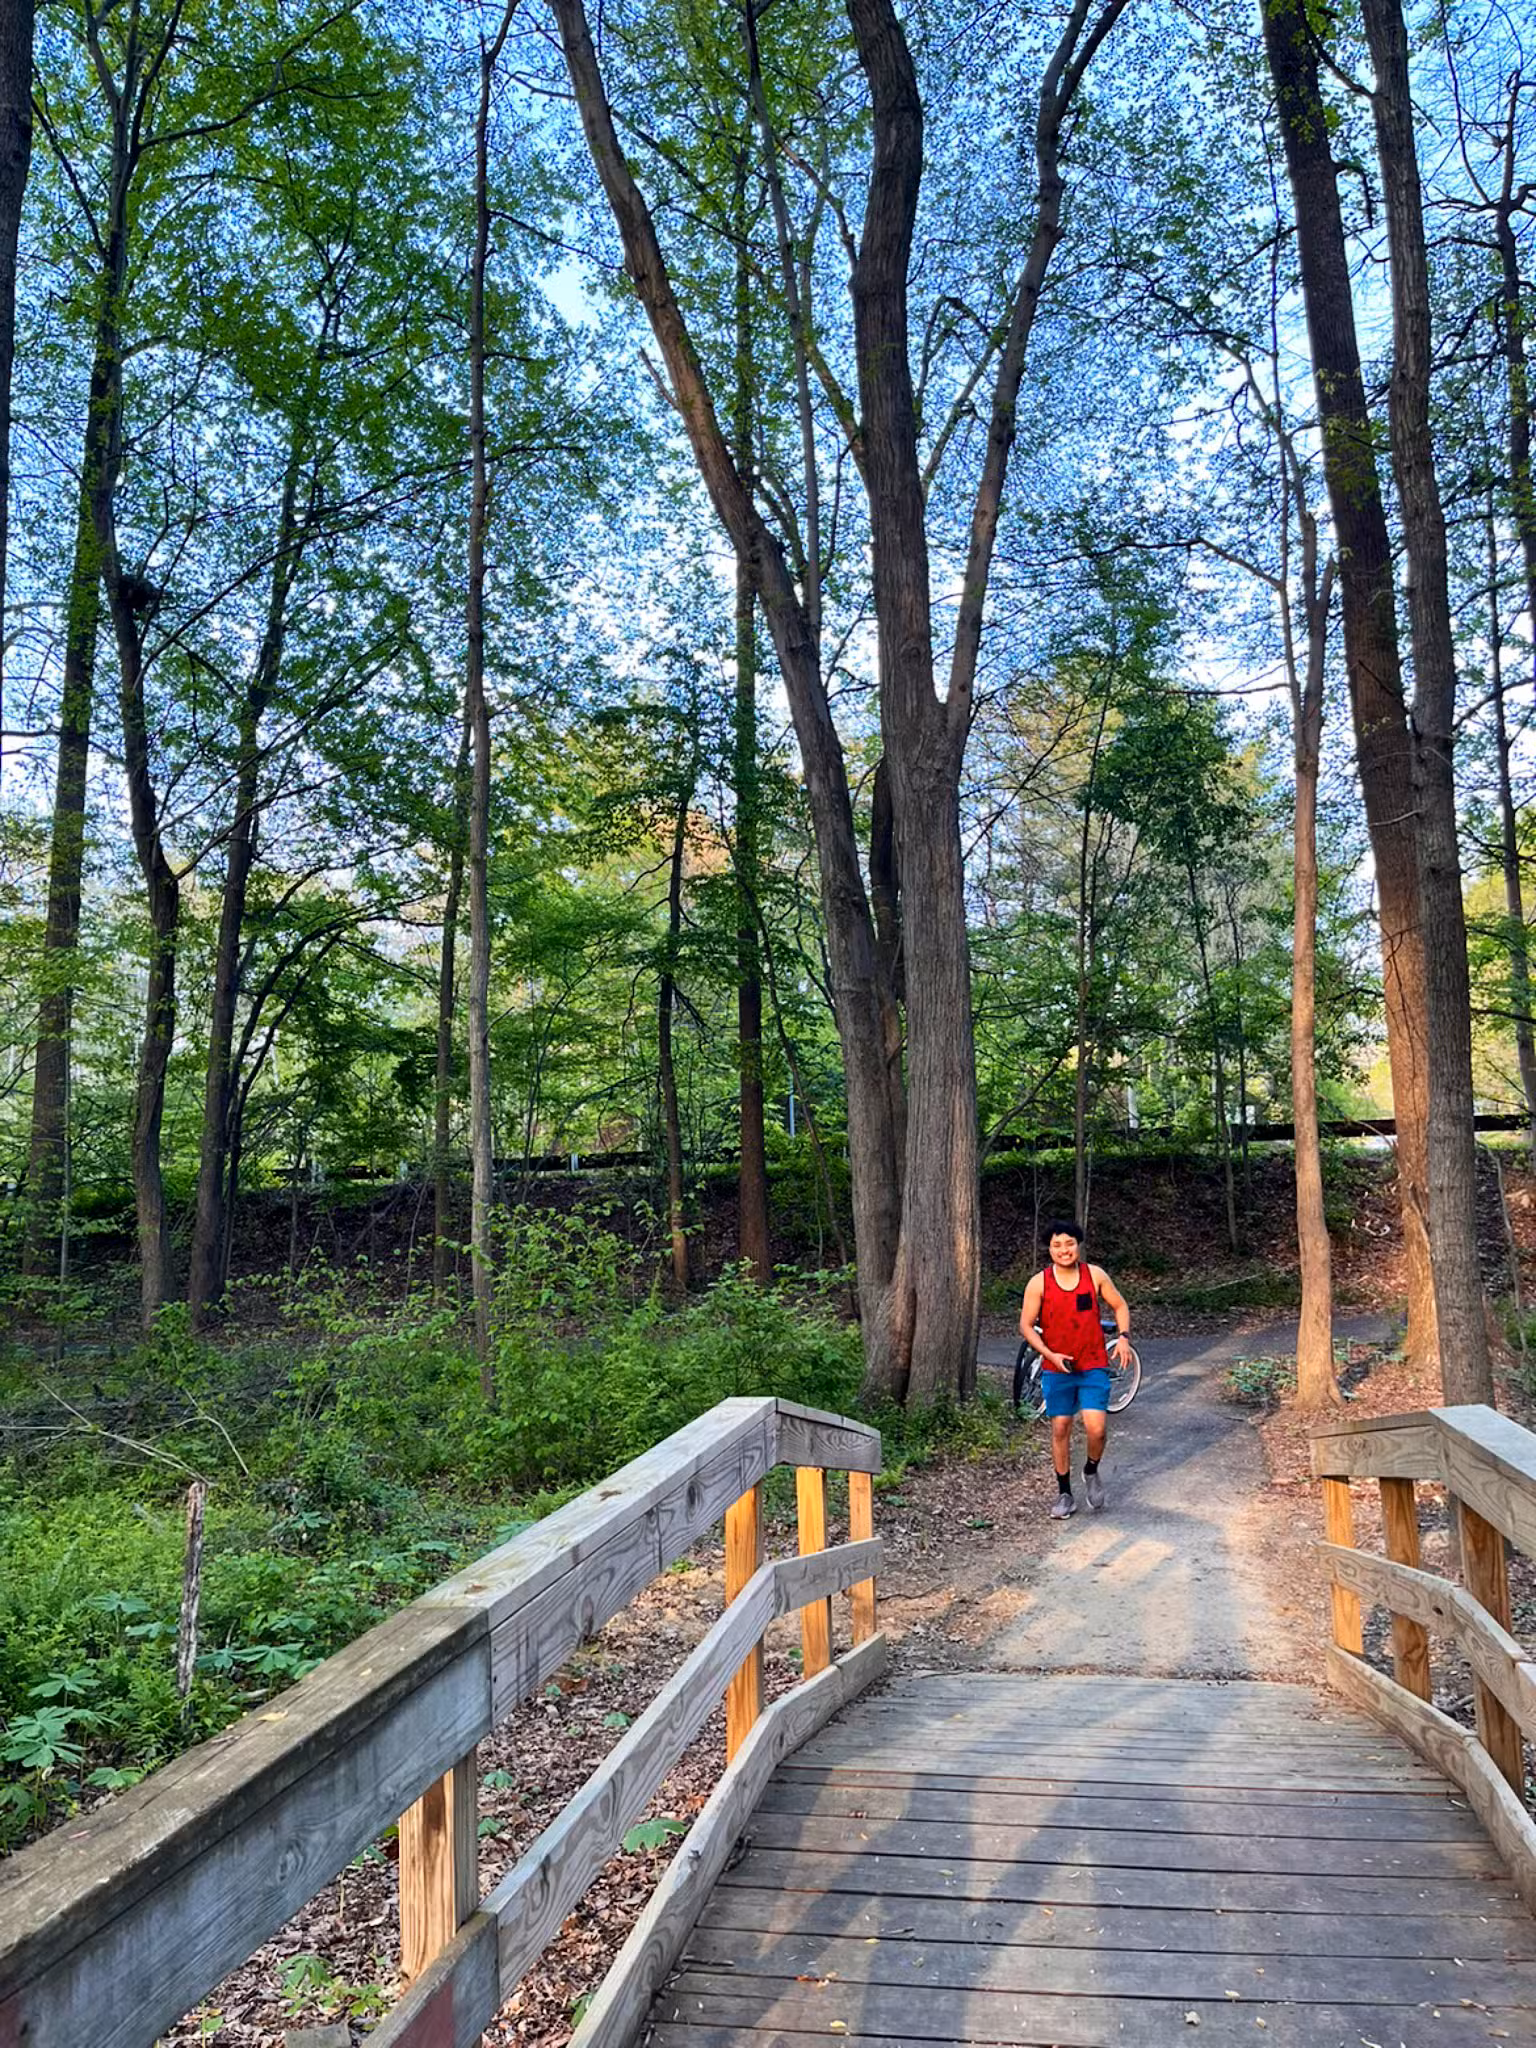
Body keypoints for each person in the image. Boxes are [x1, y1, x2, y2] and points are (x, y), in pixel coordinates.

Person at [1018, 1220, 1134, 1519]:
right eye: (1057, 1245)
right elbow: (1026, 1326)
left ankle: (1091, 1470)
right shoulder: (1039, 1283)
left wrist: (1123, 1337)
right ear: (1049, 1249)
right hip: (1058, 1368)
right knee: (1060, 1428)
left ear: (1078, 1245)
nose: (1063, 1250)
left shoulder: (1094, 1275)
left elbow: (1120, 1306)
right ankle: (1065, 1494)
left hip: (1093, 1364)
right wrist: (1049, 1354)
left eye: (1069, 1243)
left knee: (1097, 1428)